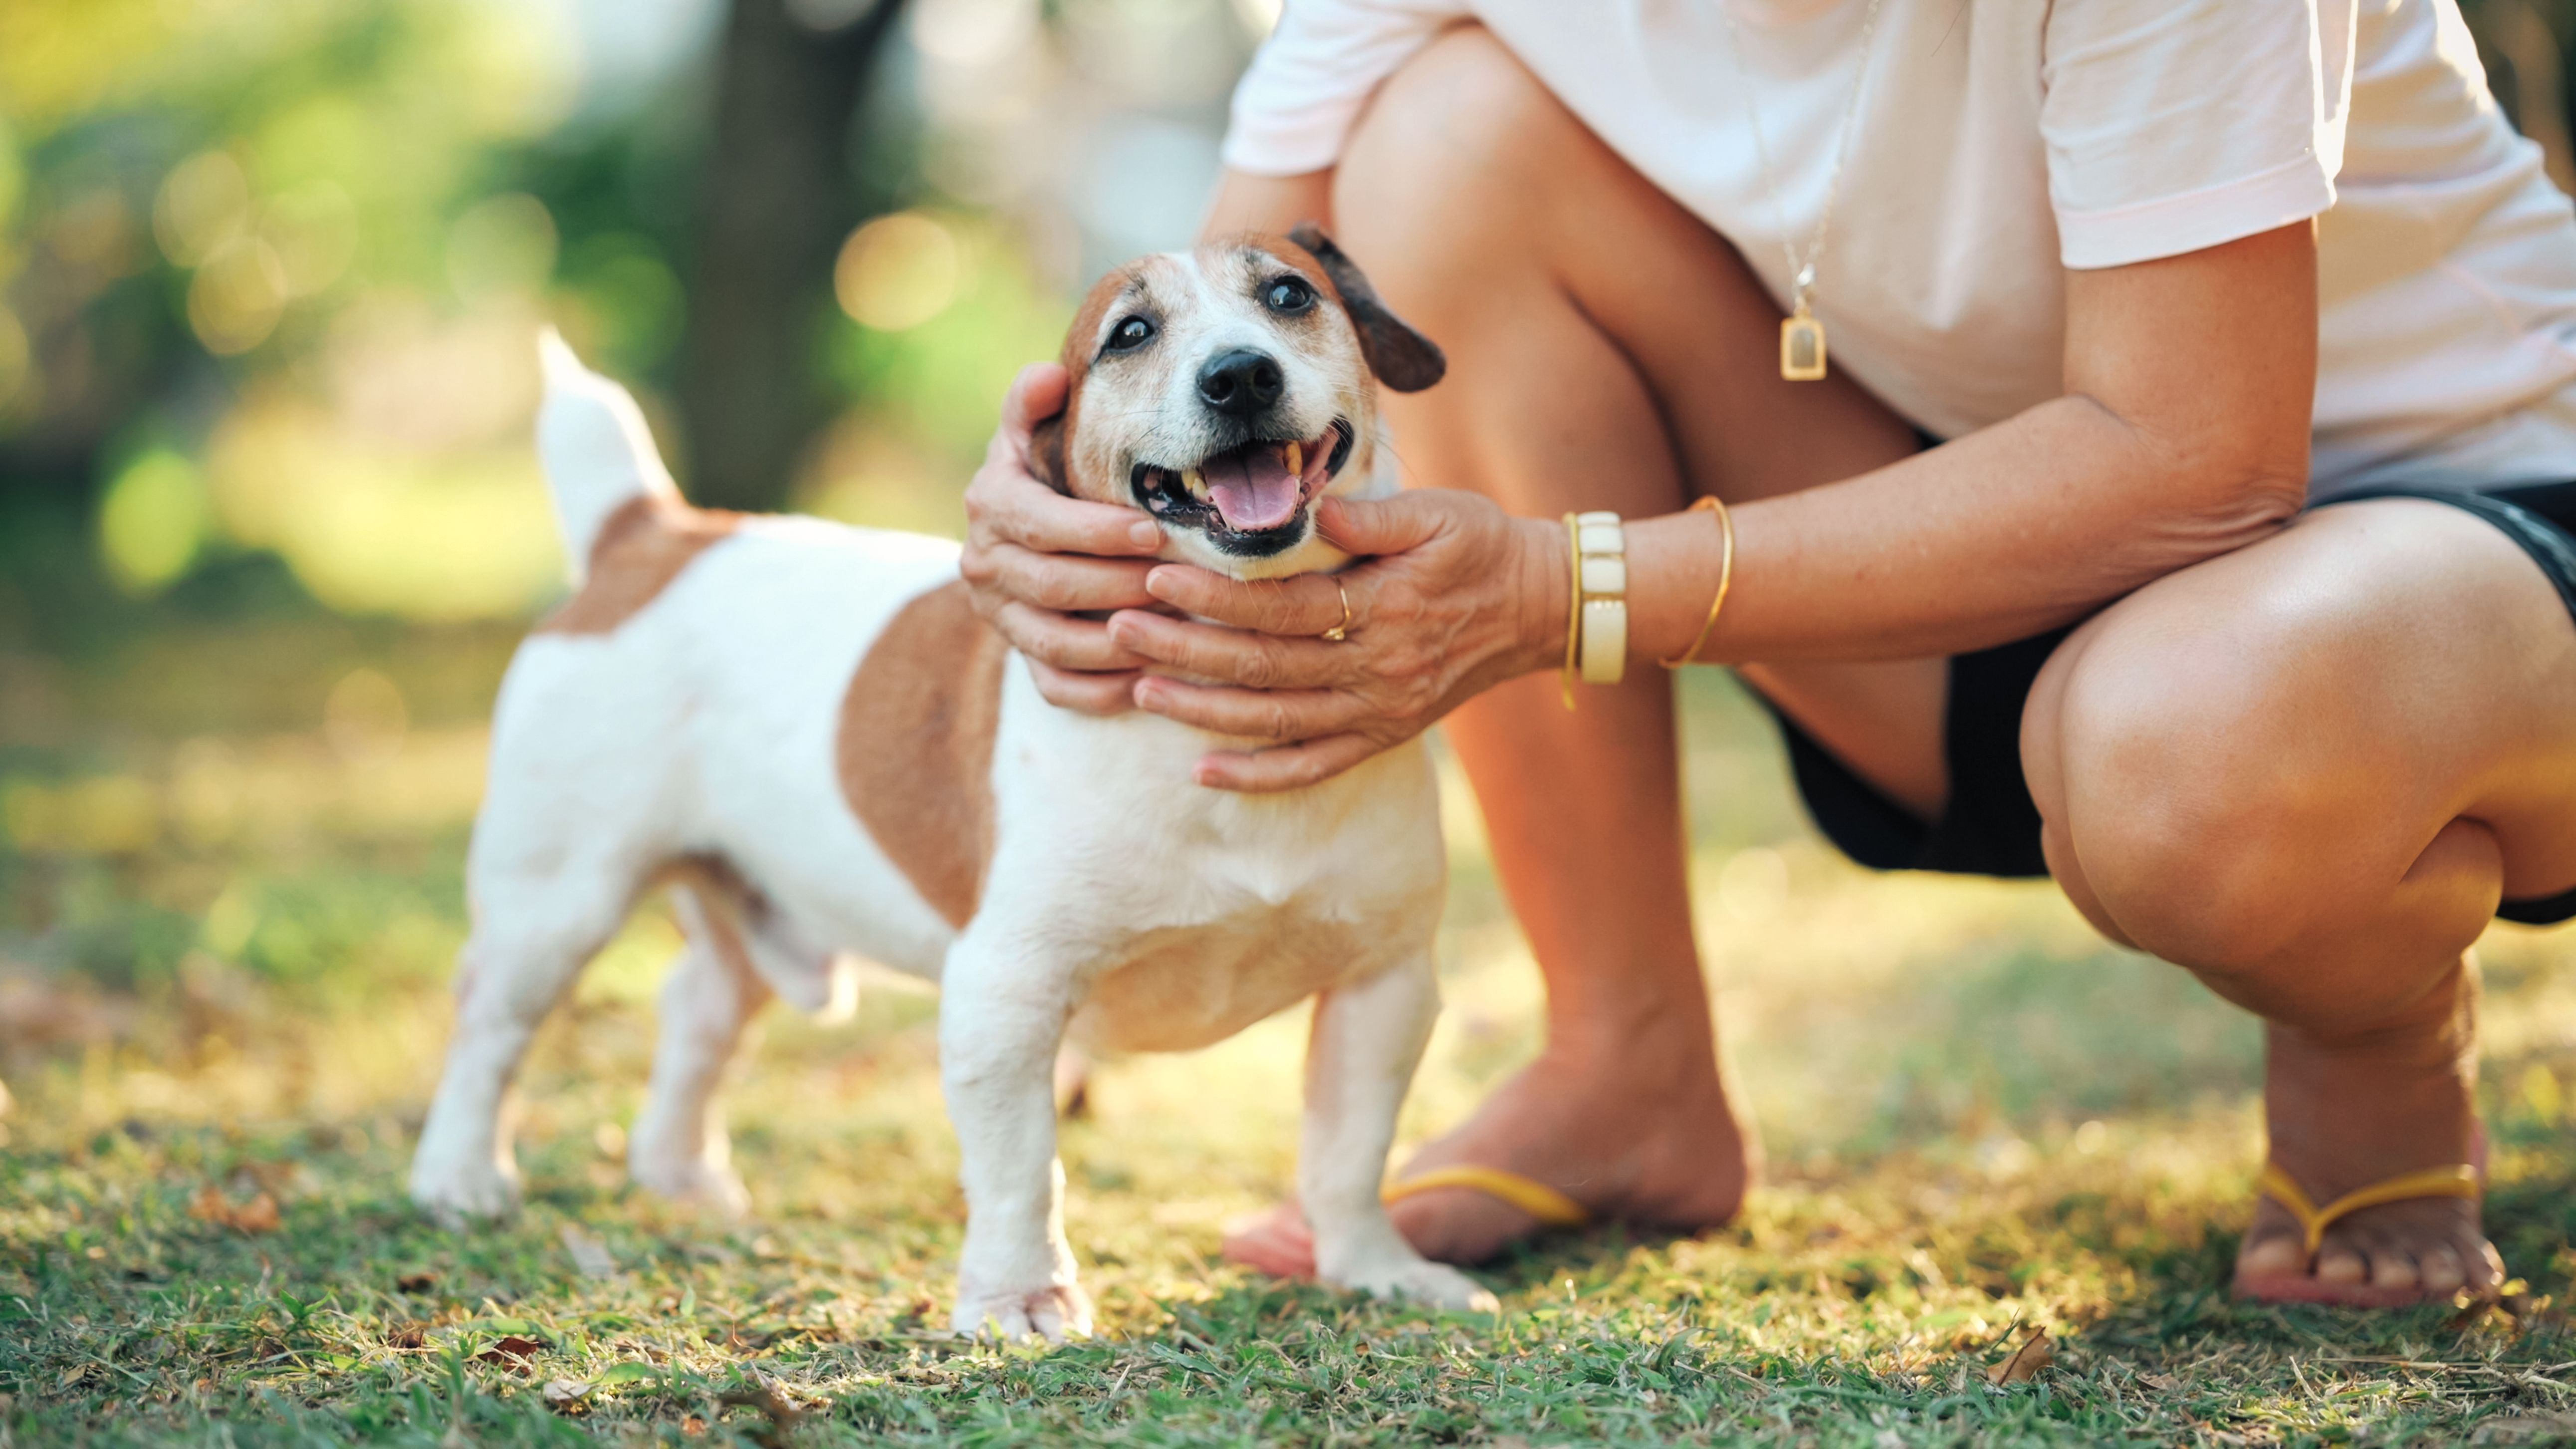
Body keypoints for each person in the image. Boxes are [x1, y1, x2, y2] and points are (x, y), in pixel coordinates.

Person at [961, 0, 2576, 1305]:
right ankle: (1625, 1060)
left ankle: (2371, 1030)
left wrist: (1564, 587)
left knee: (2188, 739)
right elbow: (1233, 296)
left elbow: (2196, 461)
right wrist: (1053, 498)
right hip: (1988, 580)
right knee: (1444, 137)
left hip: (2467, 536)